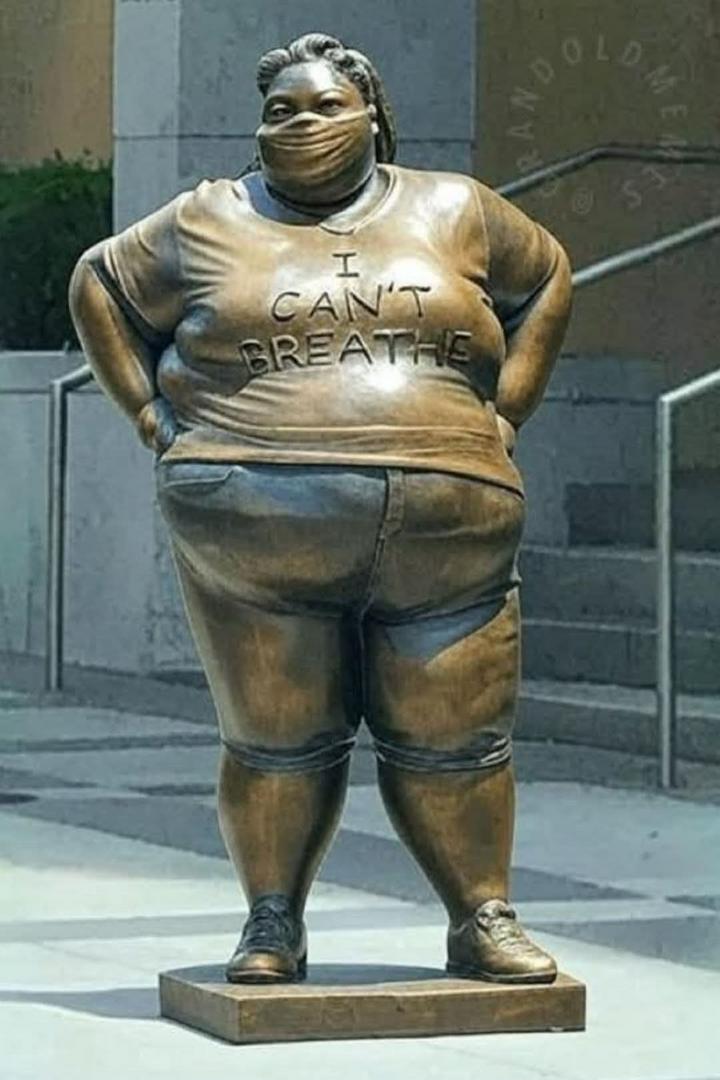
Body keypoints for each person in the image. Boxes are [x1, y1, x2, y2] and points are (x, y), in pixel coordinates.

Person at [68, 32, 572, 986]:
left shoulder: (455, 207)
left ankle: (482, 914)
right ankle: (272, 918)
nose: (302, 124)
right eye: (281, 111)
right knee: (277, 739)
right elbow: (99, 284)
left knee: (458, 739)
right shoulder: (206, 218)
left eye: (325, 106)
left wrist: (507, 410)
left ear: (372, 116)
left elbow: (546, 276)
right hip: (256, 532)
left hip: (448, 539)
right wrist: (149, 415)